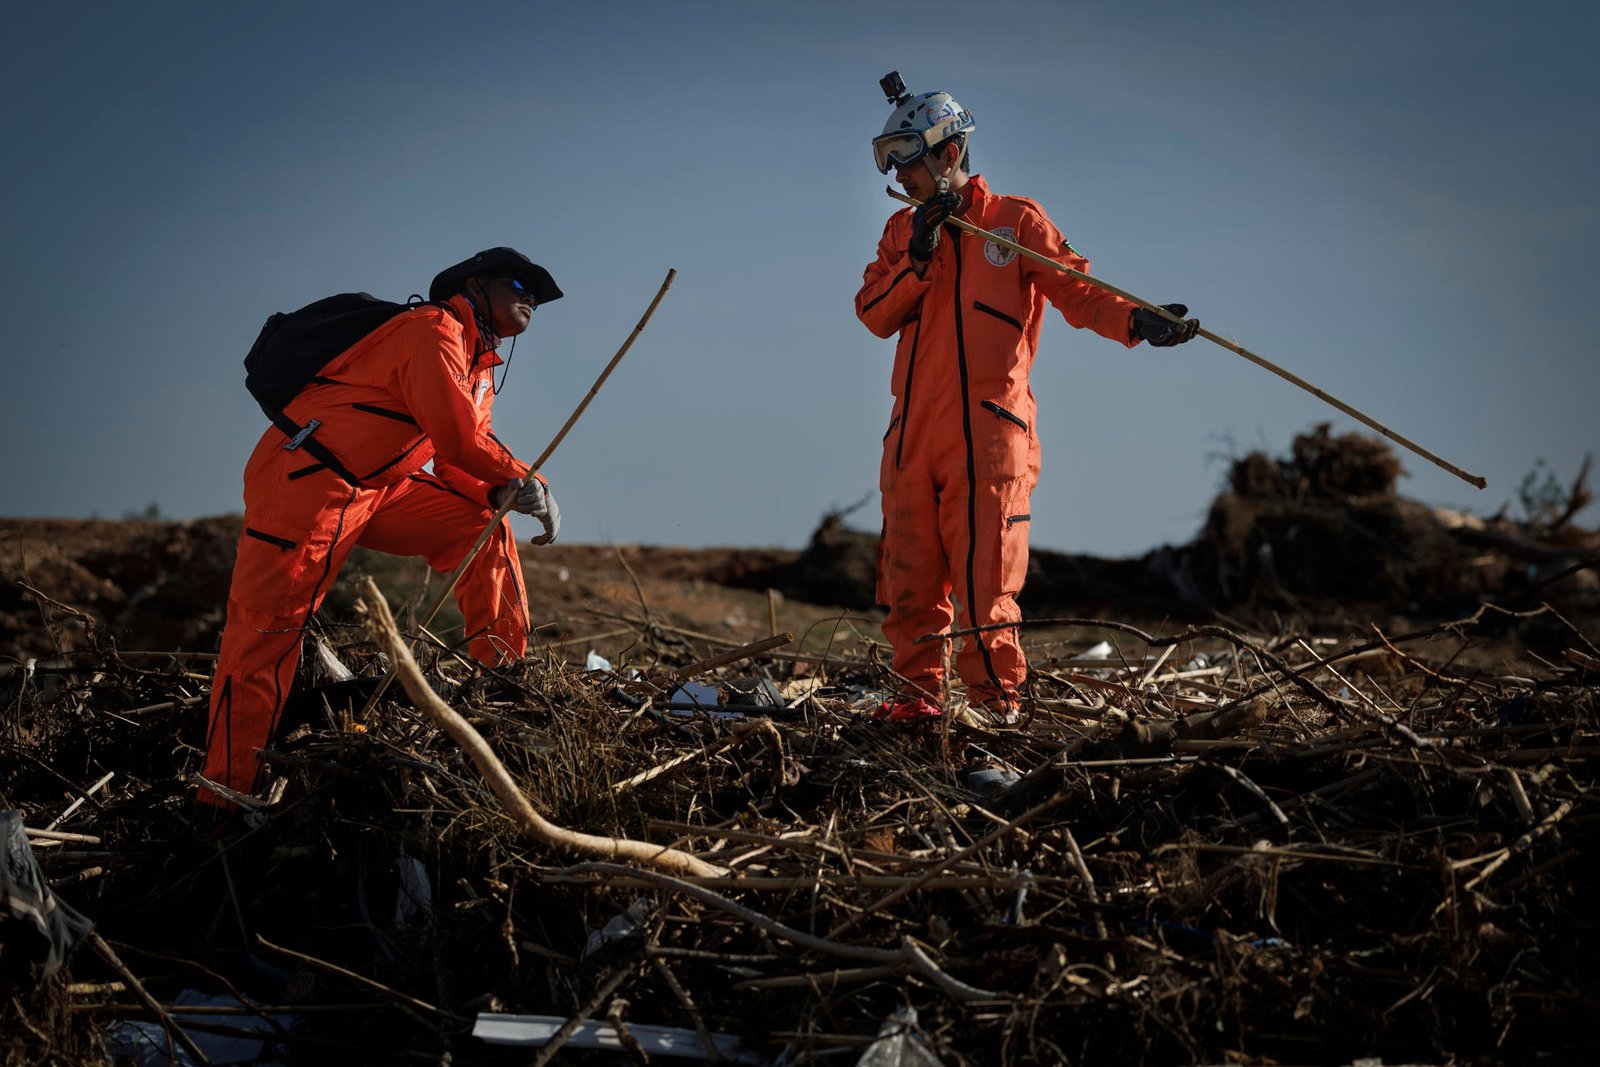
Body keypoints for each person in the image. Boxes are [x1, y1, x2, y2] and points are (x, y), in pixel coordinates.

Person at [854, 76, 1200, 720]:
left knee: (989, 584)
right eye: (887, 158)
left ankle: (993, 711)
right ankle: (916, 708)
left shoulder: (1014, 223)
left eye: (904, 155)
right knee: (909, 584)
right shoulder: (901, 235)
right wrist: (918, 259)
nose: (897, 174)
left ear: (948, 154)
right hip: (910, 441)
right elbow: (872, 312)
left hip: (989, 438)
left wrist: (1138, 319)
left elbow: (1080, 290)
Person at [199, 247, 563, 804]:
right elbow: (460, 441)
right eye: (519, 282)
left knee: (482, 526)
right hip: (307, 483)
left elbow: (456, 460)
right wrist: (527, 479)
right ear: (474, 285)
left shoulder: (479, 366)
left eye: (537, 293)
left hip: (378, 487)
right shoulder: (431, 329)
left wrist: (499, 491)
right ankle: (224, 800)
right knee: (263, 640)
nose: (530, 296)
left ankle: (505, 687)